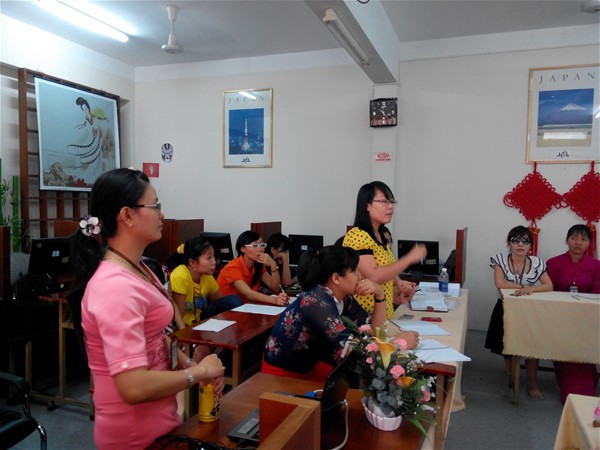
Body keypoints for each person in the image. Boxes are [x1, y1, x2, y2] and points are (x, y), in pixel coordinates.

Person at [67, 168, 225, 449]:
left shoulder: (138, 267)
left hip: (160, 425)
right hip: (134, 435)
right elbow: (134, 386)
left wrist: (191, 364)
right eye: (155, 206)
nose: (162, 214)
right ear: (127, 215)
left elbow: (155, 338)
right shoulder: (114, 286)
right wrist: (198, 374)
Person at [262, 245, 419, 382]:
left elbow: (376, 329)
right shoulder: (316, 301)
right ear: (336, 278)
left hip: (310, 364)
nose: (360, 276)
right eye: (354, 271)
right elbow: (349, 350)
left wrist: (379, 294)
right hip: (283, 374)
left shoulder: (344, 298)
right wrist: (397, 343)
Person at [484, 225, 553, 400]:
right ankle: (511, 368)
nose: (520, 244)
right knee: (506, 346)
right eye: (515, 240)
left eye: (525, 241)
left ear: (531, 246)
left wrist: (532, 289)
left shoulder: (536, 262)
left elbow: (549, 285)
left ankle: (532, 381)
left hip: (529, 311)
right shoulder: (500, 260)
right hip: (505, 308)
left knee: (532, 346)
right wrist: (524, 286)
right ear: (509, 243)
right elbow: (500, 283)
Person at [343, 181, 426, 319]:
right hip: (364, 318)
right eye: (384, 201)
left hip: (384, 315)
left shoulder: (382, 234)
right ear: (367, 205)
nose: (391, 206)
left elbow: (386, 267)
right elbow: (374, 276)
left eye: (392, 202)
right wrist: (409, 258)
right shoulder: (357, 235)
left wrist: (398, 284)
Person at [546, 224, 600, 403]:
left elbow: (597, 295)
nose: (578, 243)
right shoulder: (553, 263)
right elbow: (548, 293)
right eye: (574, 238)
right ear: (566, 240)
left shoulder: (596, 265)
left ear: (589, 243)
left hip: (586, 320)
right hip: (559, 319)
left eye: (584, 239)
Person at [167, 236, 242, 327]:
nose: (214, 262)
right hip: (184, 326)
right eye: (209, 258)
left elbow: (221, 302)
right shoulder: (180, 276)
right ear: (193, 263)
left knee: (233, 300)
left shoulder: (206, 276)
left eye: (213, 256)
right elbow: (178, 317)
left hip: (198, 320)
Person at [217, 230, 289, 305]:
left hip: (245, 306)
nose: (260, 249)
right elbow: (248, 294)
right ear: (243, 249)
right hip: (227, 308)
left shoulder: (258, 265)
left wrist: (273, 266)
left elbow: (275, 288)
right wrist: (275, 300)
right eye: (255, 246)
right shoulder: (232, 267)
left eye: (261, 244)